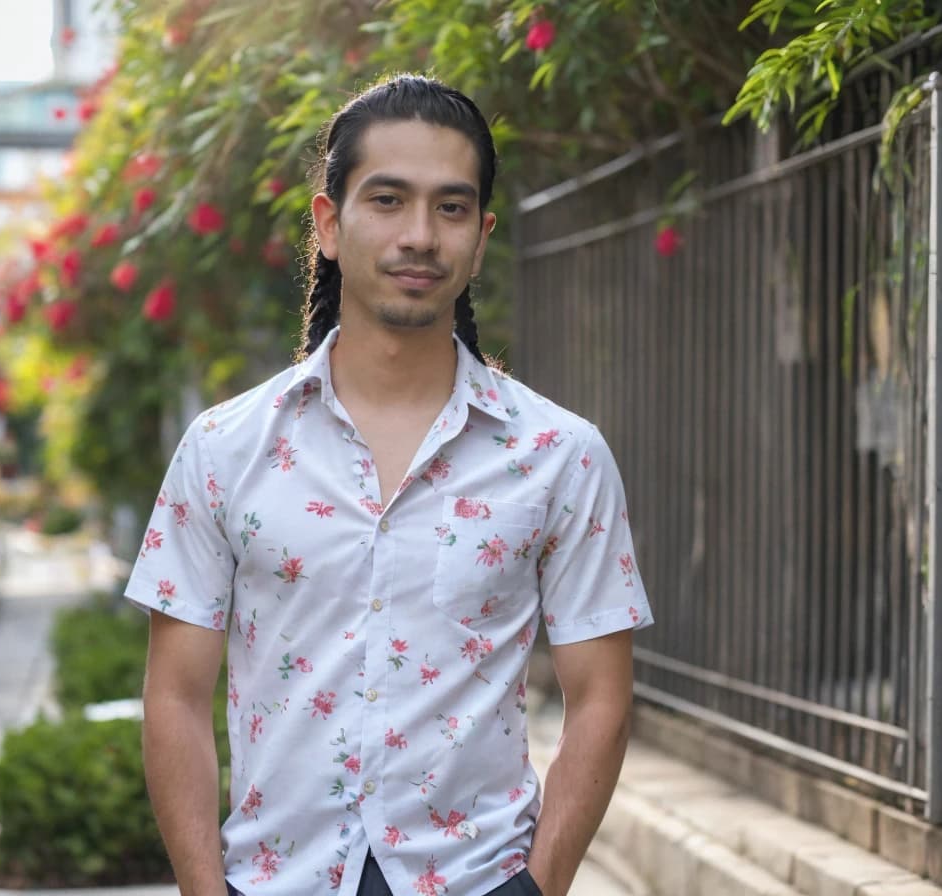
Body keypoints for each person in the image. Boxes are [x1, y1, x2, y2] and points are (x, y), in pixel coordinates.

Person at [126, 74, 653, 896]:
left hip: (479, 877)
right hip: (276, 878)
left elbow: (601, 699)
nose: (419, 235)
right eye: (388, 200)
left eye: (450, 209)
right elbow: (176, 695)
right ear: (330, 224)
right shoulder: (224, 449)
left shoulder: (561, 455)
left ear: (479, 240)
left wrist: (538, 888)